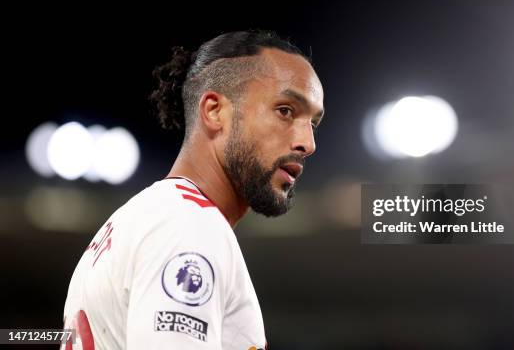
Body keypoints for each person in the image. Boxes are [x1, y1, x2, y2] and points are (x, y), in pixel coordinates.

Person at [61, 30, 325, 349]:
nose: (307, 144)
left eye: (313, 123)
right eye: (286, 111)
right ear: (214, 111)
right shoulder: (190, 225)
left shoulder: (143, 217)